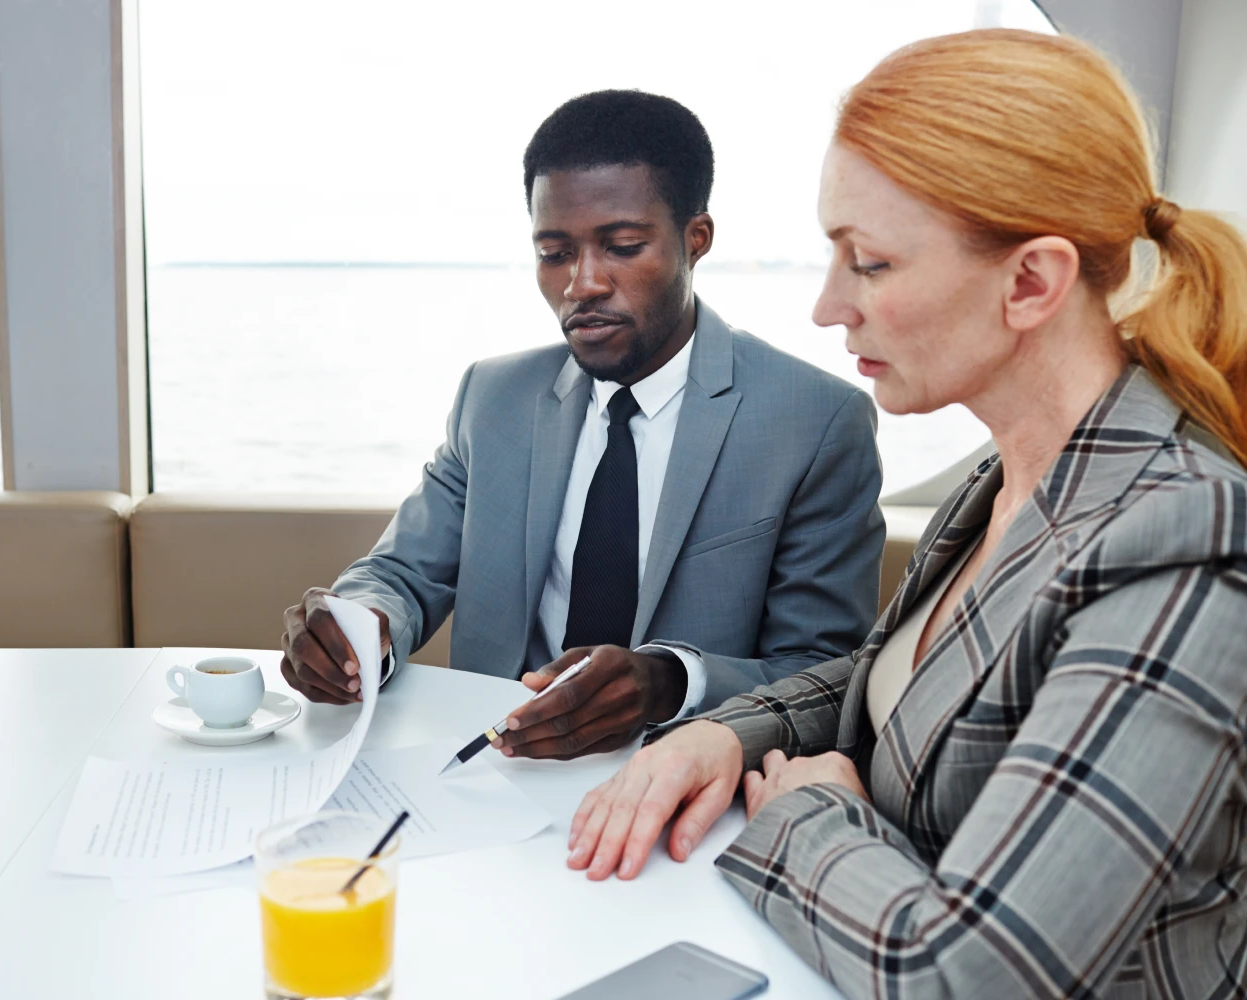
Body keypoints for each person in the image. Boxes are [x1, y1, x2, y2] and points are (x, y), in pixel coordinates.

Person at [565, 30, 1247, 998]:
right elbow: (918, 680)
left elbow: (969, 975)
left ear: (1031, 282)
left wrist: (804, 817)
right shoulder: (1009, 481)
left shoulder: (1184, 545)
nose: (828, 306)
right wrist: (726, 733)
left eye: (871, 263)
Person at [280, 90, 885, 759]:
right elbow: (404, 573)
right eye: (555, 252)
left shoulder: (815, 420)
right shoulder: (493, 397)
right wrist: (360, 623)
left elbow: (825, 677)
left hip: (682, 783)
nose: (583, 283)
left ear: (696, 239)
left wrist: (667, 683)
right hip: (489, 770)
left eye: (622, 246)